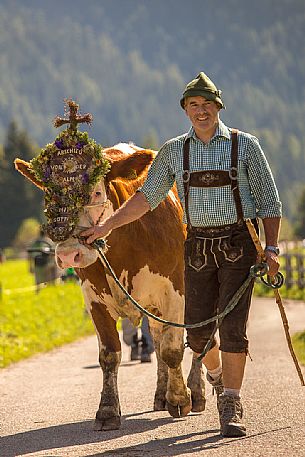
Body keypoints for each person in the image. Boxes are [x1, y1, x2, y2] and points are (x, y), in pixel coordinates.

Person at [81, 71, 282, 437]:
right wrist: (107, 226)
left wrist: (271, 248)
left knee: (234, 328)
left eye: (207, 105)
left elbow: (269, 201)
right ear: (185, 110)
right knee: (198, 334)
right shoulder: (175, 150)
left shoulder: (245, 145)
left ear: (218, 107)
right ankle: (218, 375)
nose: (200, 111)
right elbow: (145, 198)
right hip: (197, 247)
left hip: (240, 244)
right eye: (193, 105)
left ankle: (231, 402)